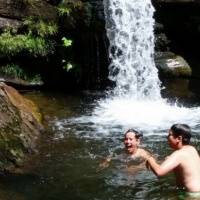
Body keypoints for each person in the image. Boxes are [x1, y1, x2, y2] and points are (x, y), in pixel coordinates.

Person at [146, 124, 200, 196]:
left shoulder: (179, 154)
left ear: (179, 138)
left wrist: (149, 159)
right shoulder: (191, 149)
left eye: (169, 135)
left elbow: (159, 172)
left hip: (193, 195)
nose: (167, 137)